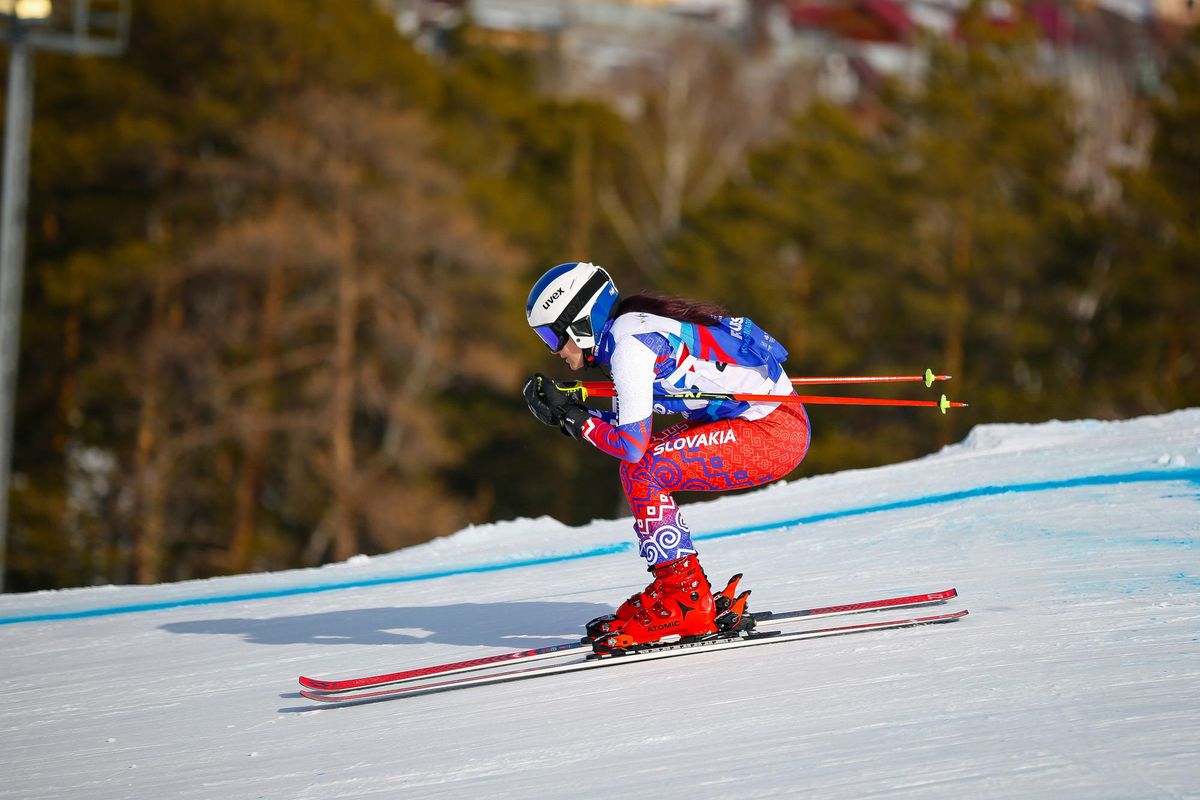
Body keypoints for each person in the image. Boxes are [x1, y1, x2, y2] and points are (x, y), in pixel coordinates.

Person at [523, 262, 810, 653]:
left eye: (552, 336)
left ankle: (685, 599)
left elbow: (630, 445)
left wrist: (576, 420)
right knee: (642, 467)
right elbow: (632, 423)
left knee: (642, 469)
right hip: (767, 419)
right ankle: (682, 590)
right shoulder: (632, 326)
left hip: (772, 433)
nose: (552, 349)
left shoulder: (630, 348)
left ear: (581, 323)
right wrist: (576, 412)